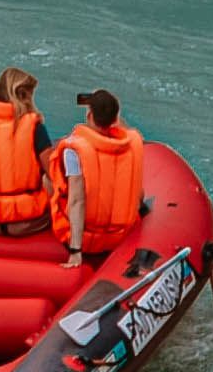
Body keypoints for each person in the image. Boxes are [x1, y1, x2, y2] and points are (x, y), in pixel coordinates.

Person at [0, 67, 61, 244]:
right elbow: (54, 173)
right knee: (52, 181)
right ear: (23, 95)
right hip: (26, 221)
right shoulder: (33, 126)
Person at [58, 89, 148, 263]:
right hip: (121, 236)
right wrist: (109, 110)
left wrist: (75, 251)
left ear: (90, 115)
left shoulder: (74, 150)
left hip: (88, 239)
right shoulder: (132, 142)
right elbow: (123, 127)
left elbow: (77, 201)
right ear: (115, 119)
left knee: (50, 181)